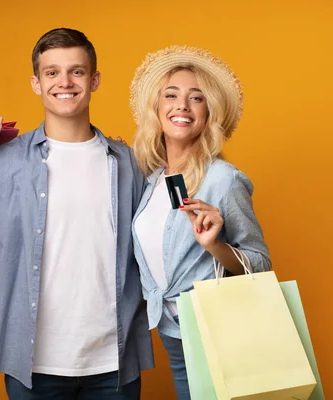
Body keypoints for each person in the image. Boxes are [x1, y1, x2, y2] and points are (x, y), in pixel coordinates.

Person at [0, 28, 153, 399]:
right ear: (37, 83)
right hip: (33, 364)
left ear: (94, 80)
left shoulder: (129, 162)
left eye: (77, 71)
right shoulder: (6, 161)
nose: (65, 82)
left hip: (115, 360)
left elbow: (156, 243)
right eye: (52, 72)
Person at [129, 46, 272, 399]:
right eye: (171, 95)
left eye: (197, 98)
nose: (182, 105)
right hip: (172, 329)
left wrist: (215, 245)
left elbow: (262, 263)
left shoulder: (223, 179)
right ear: (156, 108)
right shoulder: (152, 180)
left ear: (208, 113)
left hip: (217, 329)